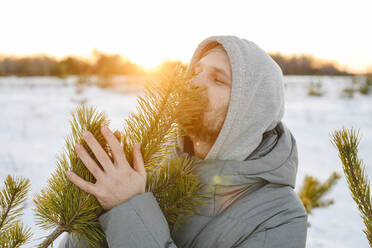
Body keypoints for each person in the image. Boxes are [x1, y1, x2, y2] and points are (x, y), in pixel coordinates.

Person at [59, 35, 308, 247]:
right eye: (196, 72)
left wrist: (128, 208)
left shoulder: (280, 216)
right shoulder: (148, 167)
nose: (192, 83)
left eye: (218, 79)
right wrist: (91, 212)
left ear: (249, 112)